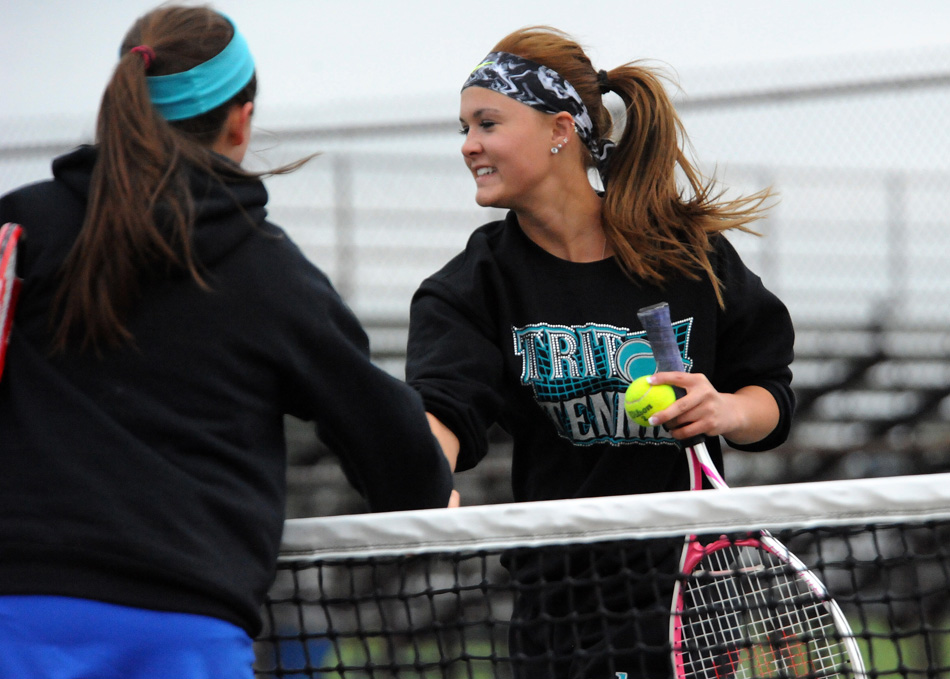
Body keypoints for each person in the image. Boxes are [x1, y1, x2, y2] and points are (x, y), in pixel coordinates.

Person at [0, 5, 455, 678]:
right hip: (186, 633)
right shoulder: (270, 270)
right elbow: (398, 451)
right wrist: (429, 486)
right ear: (241, 119)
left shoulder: (21, 225)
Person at [406, 26, 795, 679]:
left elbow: (772, 400)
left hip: (693, 611)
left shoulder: (689, 258)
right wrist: (422, 473)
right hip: (559, 620)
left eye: (488, 123)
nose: (469, 144)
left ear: (559, 128)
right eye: (463, 127)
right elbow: (445, 408)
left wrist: (724, 410)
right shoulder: (472, 286)